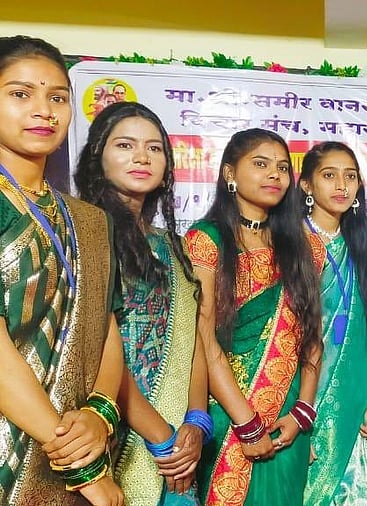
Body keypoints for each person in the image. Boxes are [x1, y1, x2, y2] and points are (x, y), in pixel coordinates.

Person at [0, 35, 125, 505]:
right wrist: (85, 466)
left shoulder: (91, 221)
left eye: (57, 97)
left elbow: (104, 325)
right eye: (20, 94)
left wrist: (100, 412)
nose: (43, 110)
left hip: (70, 455)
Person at [74, 101, 211, 505]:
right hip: (110, 433)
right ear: (98, 157)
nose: (141, 157)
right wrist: (162, 437)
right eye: (125, 145)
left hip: (178, 443)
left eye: (154, 149)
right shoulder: (84, 236)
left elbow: (192, 343)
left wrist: (196, 422)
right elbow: (98, 349)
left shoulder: (174, 247)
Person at [186, 128, 323, 505]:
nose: (274, 175)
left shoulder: (305, 245)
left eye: (282, 167)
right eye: (260, 164)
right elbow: (204, 341)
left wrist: (302, 412)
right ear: (230, 173)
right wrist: (246, 423)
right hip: (230, 414)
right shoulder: (207, 239)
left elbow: (312, 336)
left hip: (289, 419)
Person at [299, 141, 367, 505]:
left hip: (354, 396)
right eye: (329, 175)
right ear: (306, 185)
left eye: (350, 176)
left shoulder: (365, 247)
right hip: (300, 399)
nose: (341, 185)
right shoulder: (288, 244)